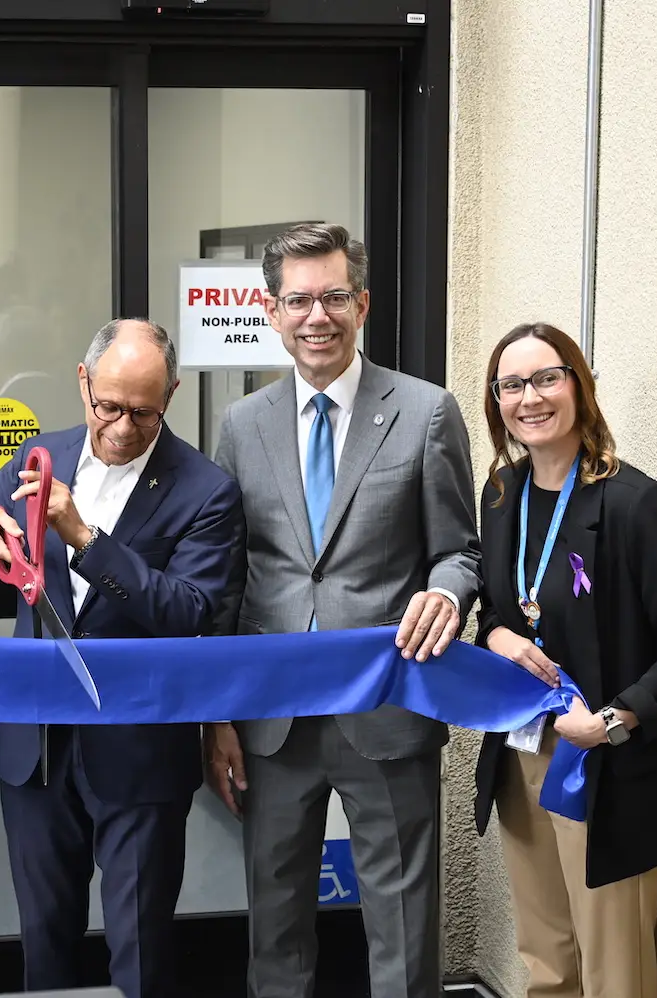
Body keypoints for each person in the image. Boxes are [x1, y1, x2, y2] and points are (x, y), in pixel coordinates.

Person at [0, 319, 246, 998]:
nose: (124, 427)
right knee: (45, 941)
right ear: (83, 383)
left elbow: (188, 610)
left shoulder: (205, 490)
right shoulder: (37, 457)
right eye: (109, 407)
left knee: (140, 947)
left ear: (172, 395)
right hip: (35, 748)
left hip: (137, 750)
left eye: (144, 411)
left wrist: (84, 538)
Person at [205, 222, 482, 998]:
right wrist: (219, 716)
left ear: (361, 304)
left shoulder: (425, 412)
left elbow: (461, 550)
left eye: (332, 297)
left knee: (401, 921)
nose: (315, 316)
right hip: (273, 718)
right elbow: (229, 577)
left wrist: (447, 593)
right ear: (271, 311)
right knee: (276, 919)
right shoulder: (242, 425)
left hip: (386, 706)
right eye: (298, 300)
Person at [472, 322, 657, 998]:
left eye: (547, 377)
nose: (530, 397)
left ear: (580, 386)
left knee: (614, 974)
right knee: (548, 964)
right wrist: (494, 635)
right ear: (496, 402)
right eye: (512, 385)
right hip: (522, 757)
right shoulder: (501, 497)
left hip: (606, 765)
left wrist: (612, 722)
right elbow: (502, 610)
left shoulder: (636, 505)